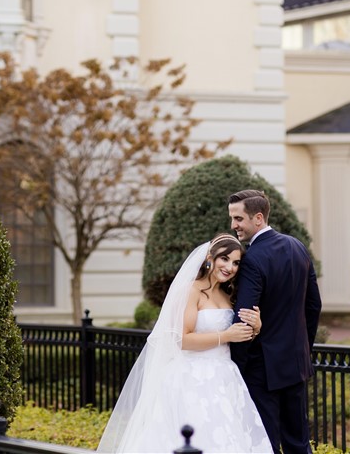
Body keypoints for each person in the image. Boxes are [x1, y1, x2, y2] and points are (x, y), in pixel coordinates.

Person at [97, 234, 274, 453]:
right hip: (192, 378)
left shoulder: (230, 294)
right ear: (210, 257)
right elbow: (183, 339)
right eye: (225, 259)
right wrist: (225, 336)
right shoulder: (191, 291)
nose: (230, 267)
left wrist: (256, 326)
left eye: (236, 262)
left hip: (225, 378)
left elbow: (238, 334)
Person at [228, 188, 322, 454]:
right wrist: (303, 349)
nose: (233, 225)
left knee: (265, 443)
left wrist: (237, 366)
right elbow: (314, 305)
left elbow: (245, 317)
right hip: (296, 364)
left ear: (258, 218)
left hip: (261, 368)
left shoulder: (252, 259)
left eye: (238, 219)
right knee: (298, 443)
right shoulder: (298, 247)